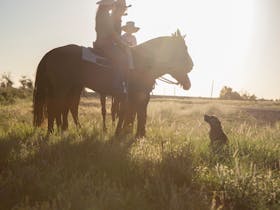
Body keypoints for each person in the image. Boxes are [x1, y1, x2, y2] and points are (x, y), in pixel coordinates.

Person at [94, 0, 131, 93]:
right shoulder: (105, 15)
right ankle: (116, 85)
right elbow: (111, 33)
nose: (112, 6)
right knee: (122, 58)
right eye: (112, 4)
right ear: (107, 5)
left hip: (102, 42)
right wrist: (123, 43)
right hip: (105, 44)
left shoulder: (102, 14)